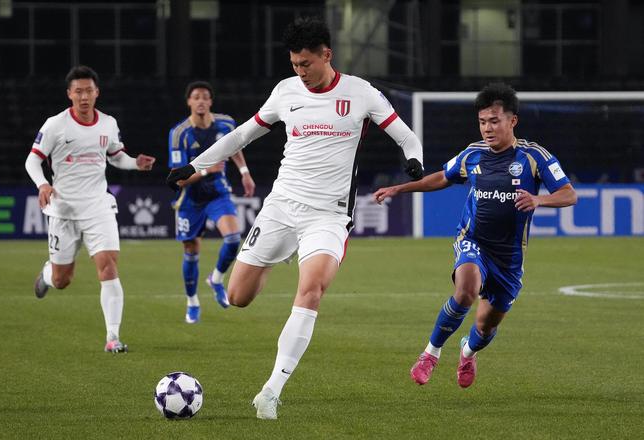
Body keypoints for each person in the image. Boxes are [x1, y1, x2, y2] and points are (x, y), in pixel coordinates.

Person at [167, 17, 424, 419]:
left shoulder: (361, 93)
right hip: (282, 207)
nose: (300, 72)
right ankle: (277, 255)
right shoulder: (286, 91)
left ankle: (271, 390)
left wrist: (414, 160)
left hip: (328, 215)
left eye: (306, 63)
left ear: (327, 55)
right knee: (238, 297)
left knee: (311, 290)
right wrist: (194, 166)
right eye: (294, 65)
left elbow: (406, 136)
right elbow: (243, 134)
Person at [373, 83, 577, 388]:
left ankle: (468, 352)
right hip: (473, 240)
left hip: (509, 256)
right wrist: (399, 188)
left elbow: (569, 194)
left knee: (485, 326)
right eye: (482, 122)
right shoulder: (473, 154)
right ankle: (430, 353)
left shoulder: (534, 156)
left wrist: (539, 199)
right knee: (467, 289)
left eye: (494, 121)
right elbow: (443, 177)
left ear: (513, 121)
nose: (487, 129)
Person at [25, 65, 156, 353]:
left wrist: (135, 163)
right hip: (64, 210)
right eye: (78, 91)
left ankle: (113, 338)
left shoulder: (108, 123)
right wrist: (42, 184)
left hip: (98, 206)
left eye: (89, 91)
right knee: (62, 280)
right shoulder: (55, 125)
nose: (84, 97)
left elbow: (115, 156)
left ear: (97, 92)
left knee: (108, 265)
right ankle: (47, 275)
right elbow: (32, 160)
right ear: (69, 94)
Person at [168, 80, 256, 323]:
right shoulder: (179, 134)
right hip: (190, 199)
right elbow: (178, 179)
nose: (201, 101)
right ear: (189, 102)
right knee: (191, 250)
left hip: (218, 193)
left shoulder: (226, 124)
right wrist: (207, 170)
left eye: (205, 97)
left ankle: (216, 278)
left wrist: (244, 172)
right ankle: (192, 302)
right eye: (196, 97)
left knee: (233, 238)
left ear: (211, 102)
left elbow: (234, 146)